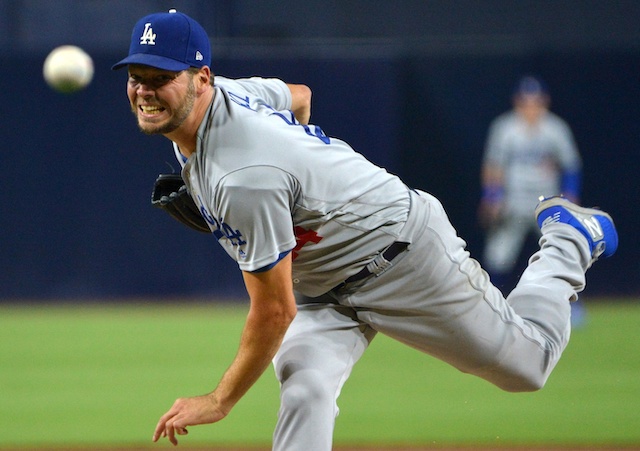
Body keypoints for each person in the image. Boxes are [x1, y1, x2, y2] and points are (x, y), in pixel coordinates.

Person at [113, 10, 618, 450]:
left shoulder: (244, 178)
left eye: (161, 77)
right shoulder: (228, 96)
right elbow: (299, 96)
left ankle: (569, 237)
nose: (144, 90)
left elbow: (273, 312)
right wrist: (306, 170)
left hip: (402, 256)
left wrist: (219, 401)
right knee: (305, 388)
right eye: (136, 75)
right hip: (323, 285)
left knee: (526, 368)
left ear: (201, 78)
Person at [478, 76, 583, 292]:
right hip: (513, 202)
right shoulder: (505, 128)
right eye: (526, 101)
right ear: (517, 102)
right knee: (499, 255)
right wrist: (492, 197)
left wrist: (570, 195)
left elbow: (571, 165)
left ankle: (573, 301)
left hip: (547, 203)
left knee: (563, 251)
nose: (531, 107)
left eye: (536, 101)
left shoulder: (555, 128)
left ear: (544, 101)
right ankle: (493, 299)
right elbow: (493, 166)